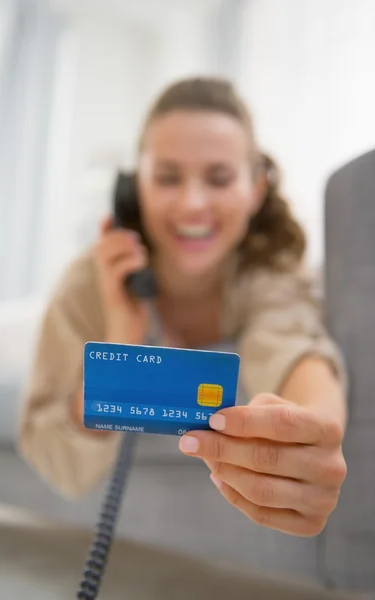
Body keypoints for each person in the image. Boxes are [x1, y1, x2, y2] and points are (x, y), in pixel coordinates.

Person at [19, 77, 347, 542]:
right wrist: (119, 341)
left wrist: (314, 437)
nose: (193, 205)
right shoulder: (87, 283)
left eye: (219, 178)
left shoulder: (266, 274)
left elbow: (294, 346)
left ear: (255, 189)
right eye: (168, 178)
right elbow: (56, 460)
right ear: (134, 191)